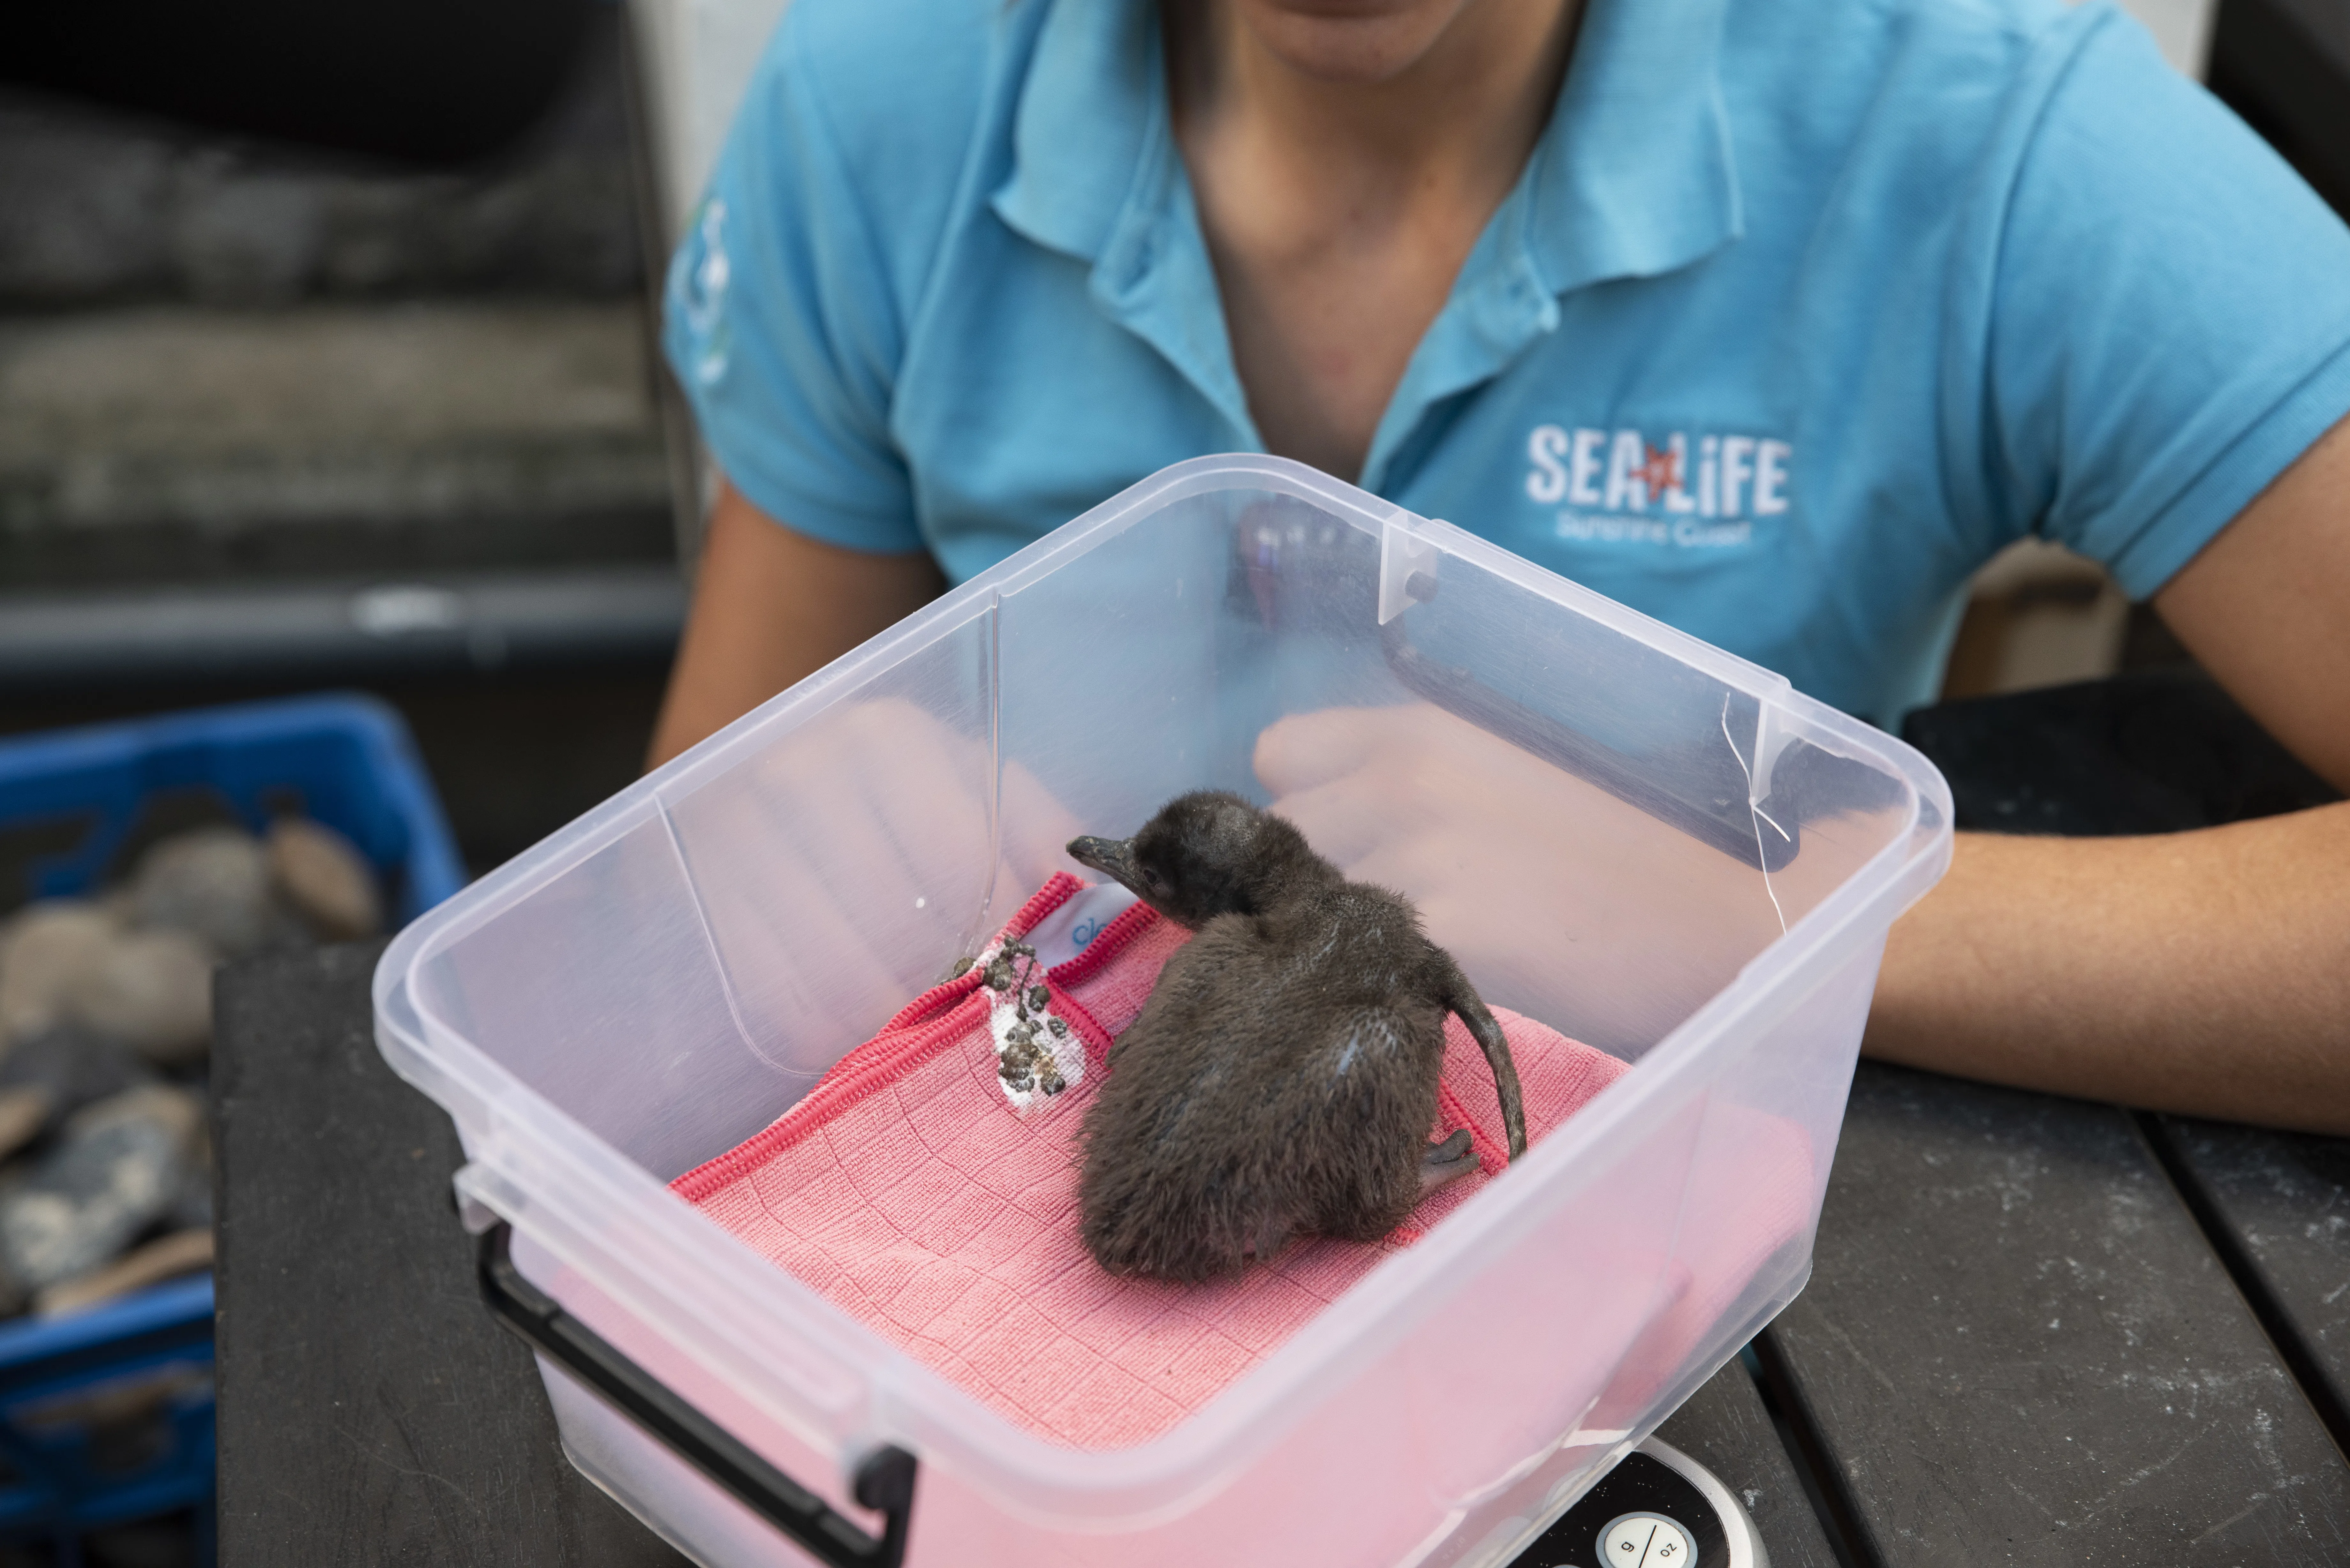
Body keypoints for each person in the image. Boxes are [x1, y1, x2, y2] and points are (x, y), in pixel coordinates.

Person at [645, 0, 2350, 1131]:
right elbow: (700, 855)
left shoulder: (1972, 130)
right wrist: (779, 848)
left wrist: (1764, 921)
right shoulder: (890, 100)